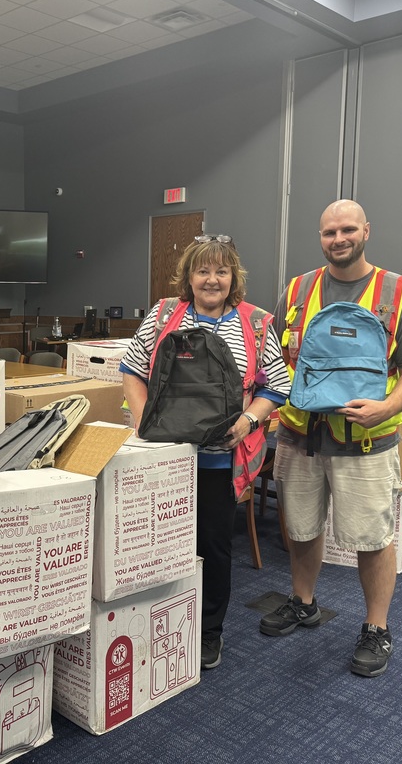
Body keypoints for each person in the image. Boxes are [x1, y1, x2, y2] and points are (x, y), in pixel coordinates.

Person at [259, 200, 402, 678]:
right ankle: (303, 603)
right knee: (300, 527)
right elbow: (273, 358)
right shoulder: (297, 289)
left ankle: (376, 628)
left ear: (366, 231)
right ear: (320, 237)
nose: (338, 239)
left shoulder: (397, 292)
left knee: (372, 538)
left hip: (366, 440)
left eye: (347, 230)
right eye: (329, 232)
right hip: (300, 434)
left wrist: (388, 406)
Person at [120, 234, 290, 671]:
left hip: (219, 460)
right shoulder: (162, 316)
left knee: (213, 547)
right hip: (163, 459)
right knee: (156, 544)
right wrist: (144, 422)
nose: (212, 279)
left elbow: (278, 385)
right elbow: (132, 370)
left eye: (221, 270)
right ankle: (154, 624)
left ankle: (208, 632)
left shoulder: (255, 323)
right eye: (202, 270)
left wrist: (248, 421)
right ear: (189, 277)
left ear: (234, 277)